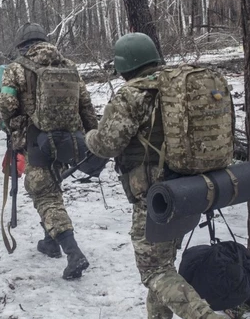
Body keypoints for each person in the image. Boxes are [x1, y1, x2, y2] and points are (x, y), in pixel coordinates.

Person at [84, 33, 226, 319]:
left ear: (124, 66)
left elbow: (108, 145)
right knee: (164, 264)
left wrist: (89, 137)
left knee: (155, 271)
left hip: (156, 198)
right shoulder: (174, 86)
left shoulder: (133, 94)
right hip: (192, 188)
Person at [0, 22, 98, 280]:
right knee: (52, 185)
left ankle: (73, 251)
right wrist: (91, 138)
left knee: (45, 196)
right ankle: (50, 240)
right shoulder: (69, 66)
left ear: (22, 46)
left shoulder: (16, 68)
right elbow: (85, 104)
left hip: (36, 139)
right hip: (68, 139)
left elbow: (7, 103)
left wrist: (12, 127)